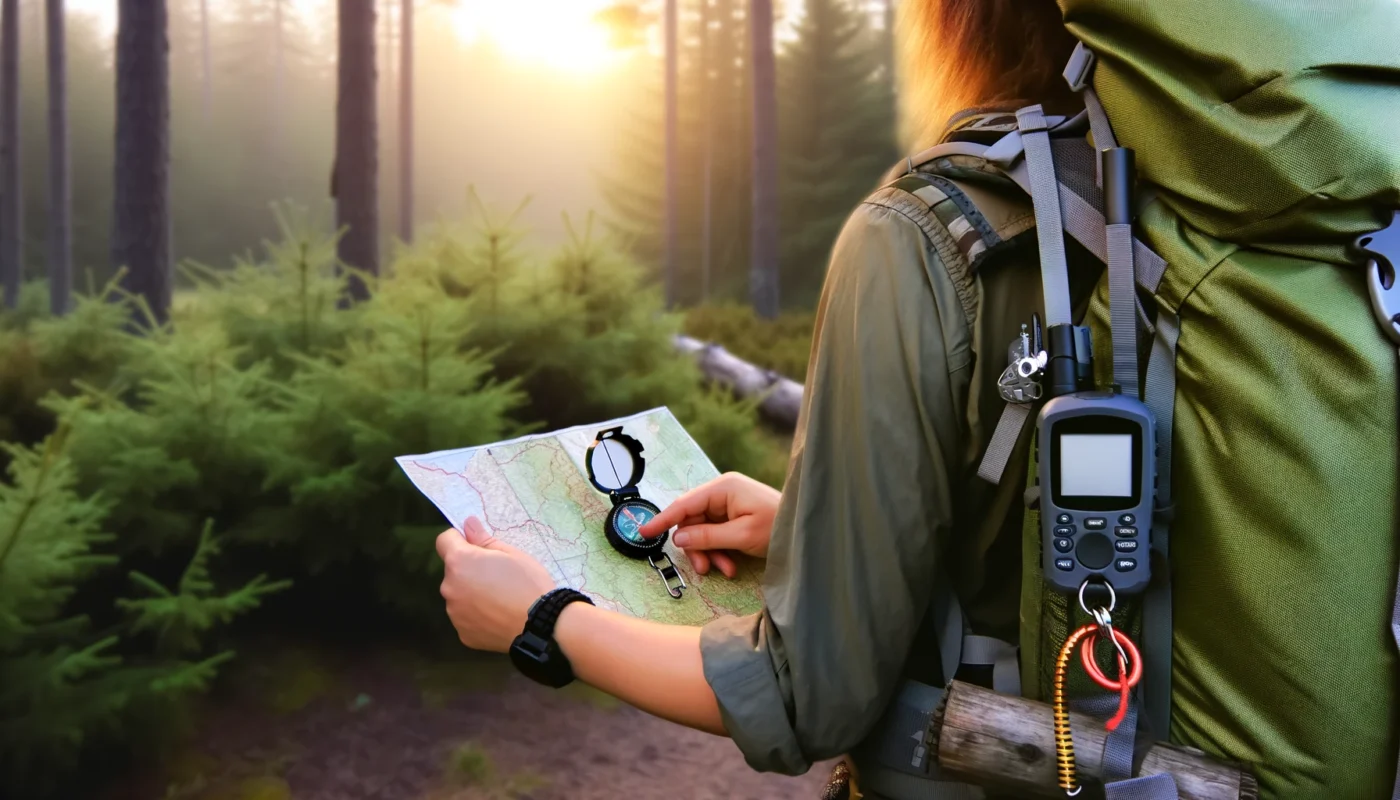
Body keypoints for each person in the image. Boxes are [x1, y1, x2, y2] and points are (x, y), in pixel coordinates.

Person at [436, 0, 1400, 798]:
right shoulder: (1343, 219)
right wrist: (823, 534)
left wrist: (541, 615)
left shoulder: (928, 230)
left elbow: (804, 698)